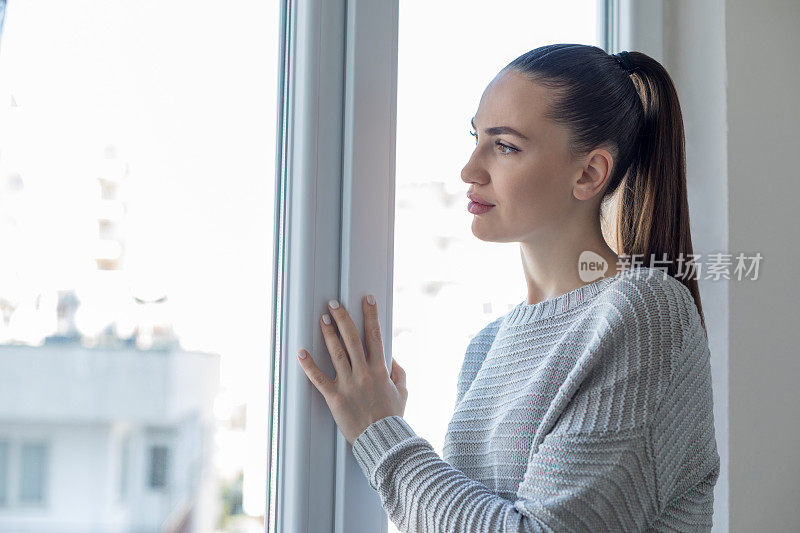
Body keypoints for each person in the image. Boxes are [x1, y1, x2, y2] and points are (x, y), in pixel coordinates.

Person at [297, 43, 720, 532]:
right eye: (475, 138)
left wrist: (381, 433)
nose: (470, 170)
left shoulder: (643, 311)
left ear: (589, 173)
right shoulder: (486, 348)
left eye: (505, 146)